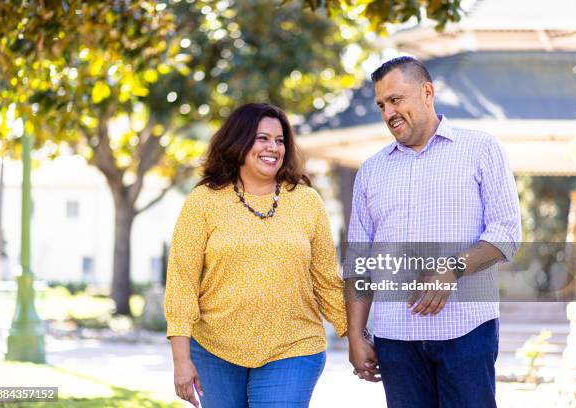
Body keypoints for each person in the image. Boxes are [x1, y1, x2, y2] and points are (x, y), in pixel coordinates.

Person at [344, 56, 521, 407]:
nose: (388, 113)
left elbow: (507, 232)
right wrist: (355, 334)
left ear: (427, 92)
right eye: (382, 105)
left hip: (467, 330)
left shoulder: (481, 149)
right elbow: (359, 261)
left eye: (396, 100)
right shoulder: (371, 170)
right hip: (395, 337)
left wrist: (452, 269)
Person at [164, 102, 347, 408]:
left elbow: (326, 281)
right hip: (215, 349)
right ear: (239, 140)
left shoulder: (306, 202)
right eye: (262, 138)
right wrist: (181, 361)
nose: (273, 147)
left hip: (293, 346)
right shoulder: (203, 201)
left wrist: (354, 335)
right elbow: (182, 284)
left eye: (279, 140)